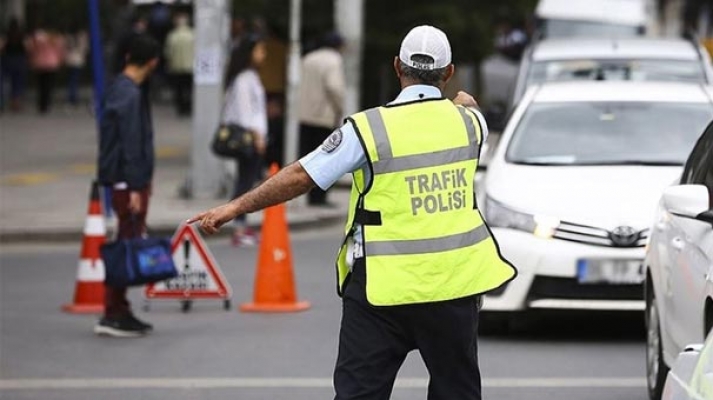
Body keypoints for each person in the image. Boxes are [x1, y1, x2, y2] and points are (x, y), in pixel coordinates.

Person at [189, 25, 517, 400]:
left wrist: (234, 207)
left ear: (397, 67)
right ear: (449, 72)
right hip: (452, 289)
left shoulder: (368, 129)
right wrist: (464, 104)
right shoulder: (471, 124)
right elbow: (467, 111)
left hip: (381, 291)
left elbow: (301, 176)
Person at [95, 34, 160, 337]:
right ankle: (113, 312)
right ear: (152, 62)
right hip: (127, 182)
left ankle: (119, 309)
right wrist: (136, 185)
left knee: (126, 241)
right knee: (125, 244)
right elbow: (131, 144)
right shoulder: (130, 94)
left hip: (124, 180)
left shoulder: (119, 88)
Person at [222, 34, 268, 247]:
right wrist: (257, 136)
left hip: (253, 137)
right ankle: (238, 226)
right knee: (245, 182)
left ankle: (241, 224)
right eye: (259, 50)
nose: (263, 54)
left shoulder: (250, 76)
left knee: (247, 180)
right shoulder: (243, 79)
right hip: (249, 138)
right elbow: (245, 112)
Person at [297, 32, 346, 207]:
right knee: (326, 158)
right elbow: (334, 87)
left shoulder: (308, 58)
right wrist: (339, 107)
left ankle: (310, 196)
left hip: (304, 114)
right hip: (323, 116)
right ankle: (320, 198)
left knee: (308, 158)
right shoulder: (334, 60)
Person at [27, 25, 64, 114]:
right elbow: (60, 51)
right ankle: (47, 104)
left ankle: (41, 104)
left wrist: (31, 60)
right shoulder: (55, 38)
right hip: (51, 64)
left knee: (41, 85)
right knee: (48, 86)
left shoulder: (37, 38)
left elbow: (31, 49)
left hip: (39, 63)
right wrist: (60, 60)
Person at [164, 13, 194, 116]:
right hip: (191, 67)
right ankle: (189, 107)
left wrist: (169, 63)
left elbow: (168, 52)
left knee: (179, 89)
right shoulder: (193, 35)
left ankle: (181, 108)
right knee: (189, 89)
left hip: (177, 67)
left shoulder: (172, 36)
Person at [1, 17, 28, 112]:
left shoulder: (6, 34)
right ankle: (15, 104)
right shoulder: (21, 35)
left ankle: (3, 103)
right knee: (17, 83)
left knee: (4, 82)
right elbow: (26, 48)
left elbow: (2, 47)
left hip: (7, 60)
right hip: (19, 61)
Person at [64, 22, 89, 108]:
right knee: (75, 79)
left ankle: (72, 96)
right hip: (78, 59)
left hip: (70, 59)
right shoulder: (82, 36)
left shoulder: (68, 37)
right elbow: (85, 48)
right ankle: (73, 96)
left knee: (71, 79)